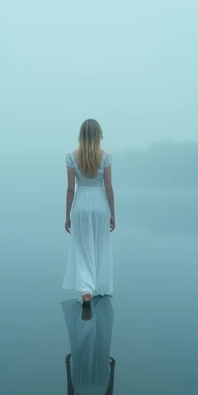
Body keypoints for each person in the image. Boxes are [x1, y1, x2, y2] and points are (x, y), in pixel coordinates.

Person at [63, 119, 115, 303]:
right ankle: (97, 286)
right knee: (99, 246)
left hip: (81, 205)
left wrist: (67, 216)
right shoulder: (106, 156)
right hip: (100, 205)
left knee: (82, 247)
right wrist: (112, 213)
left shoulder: (71, 156)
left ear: (81, 134)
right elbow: (108, 187)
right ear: (98, 134)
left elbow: (70, 189)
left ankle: (86, 289)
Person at [62, 296, 115, 395]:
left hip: (100, 385)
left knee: (101, 344)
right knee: (82, 346)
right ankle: (86, 311)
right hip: (81, 384)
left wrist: (113, 370)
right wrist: (67, 366)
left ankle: (99, 308)